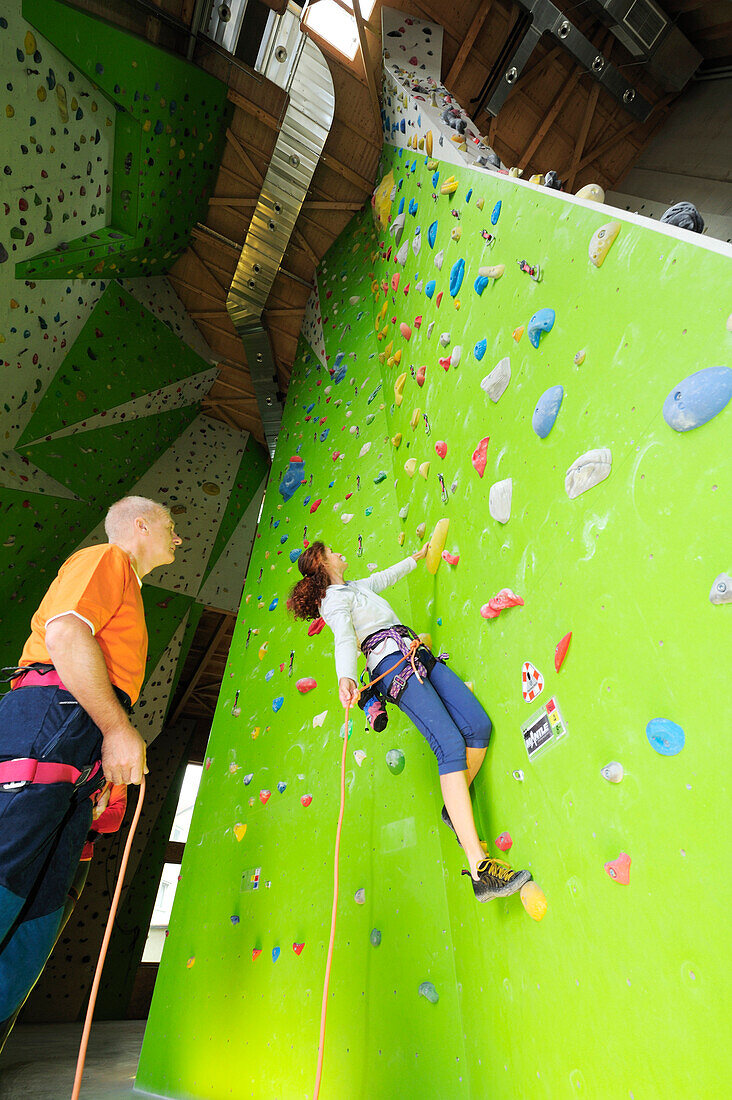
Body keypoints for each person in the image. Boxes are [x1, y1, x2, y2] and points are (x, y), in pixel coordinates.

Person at [0, 496, 181, 1047]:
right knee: (7, 872)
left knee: (38, 906)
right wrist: (116, 729)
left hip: (77, 734)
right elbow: (65, 635)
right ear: (141, 525)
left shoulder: (130, 589)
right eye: (172, 526)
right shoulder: (107, 560)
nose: (179, 538)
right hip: (56, 712)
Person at [288, 541, 532, 902]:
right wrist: (346, 678)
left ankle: (455, 807)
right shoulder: (334, 601)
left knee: (477, 727)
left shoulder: (353, 589)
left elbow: (384, 577)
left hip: (414, 653)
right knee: (449, 746)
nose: (341, 553)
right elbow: (342, 639)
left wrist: (416, 558)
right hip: (391, 667)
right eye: (333, 551)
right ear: (323, 562)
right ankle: (480, 869)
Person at [0, 781, 126, 1048]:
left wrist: (77, 813)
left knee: (29, 955)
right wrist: (85, 812)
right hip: (25, 849)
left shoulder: (116, 772)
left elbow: (114, 819)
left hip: (74, 860)